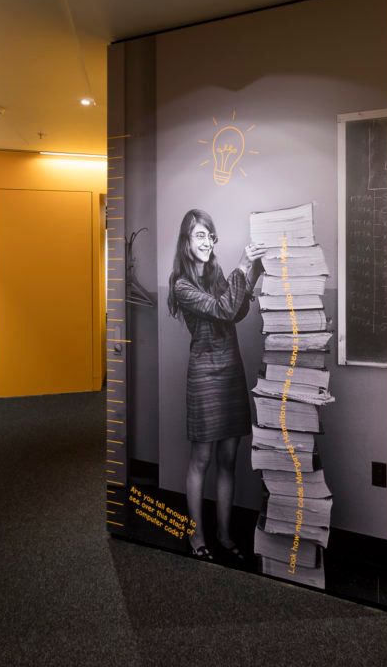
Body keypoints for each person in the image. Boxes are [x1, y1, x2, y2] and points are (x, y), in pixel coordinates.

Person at [166, 208, 265, 562]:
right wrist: (242, 267)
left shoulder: (218, 272)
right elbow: (223, 309)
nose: (207, 242)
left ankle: (223, 534)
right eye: (199, 235)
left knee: (228, 458)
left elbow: (235, 311)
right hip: (204, 374)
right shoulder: (181, 285)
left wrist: (251, 273)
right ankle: (196, 536)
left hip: (230, 371)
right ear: (186, 241)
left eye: (210, 235)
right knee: (202, 459)